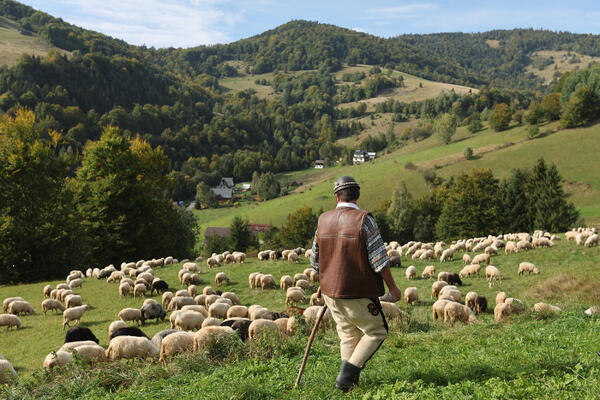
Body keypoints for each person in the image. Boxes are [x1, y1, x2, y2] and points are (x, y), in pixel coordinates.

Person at [310, 175, 402, 392]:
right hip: (357, 292)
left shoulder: (323, 220)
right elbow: (379, 259)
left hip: (331, 294)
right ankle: (346, 379)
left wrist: (322, 283)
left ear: (336, 196)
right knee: (376, 331)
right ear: (358, 195)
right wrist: (393, 288)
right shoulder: (364, 220)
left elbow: (316, 259)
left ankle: (348, 385)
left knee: (347, 333)